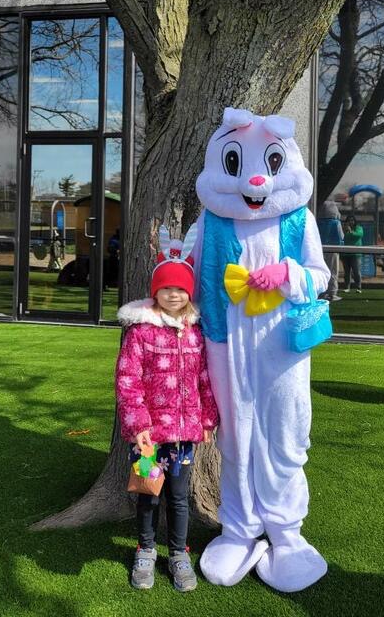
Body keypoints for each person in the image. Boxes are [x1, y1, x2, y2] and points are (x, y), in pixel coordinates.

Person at [194, 108, 331, 593]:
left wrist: (289, 275)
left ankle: (287, 533)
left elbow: (320, 276)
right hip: (225, 342)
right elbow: (189, 272)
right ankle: (239, 528)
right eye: (236, 163)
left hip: (282, 345)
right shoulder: (210, 221)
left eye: (270, 163)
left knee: (284, 434)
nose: (255, 180)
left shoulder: (299, 218)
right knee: (235, 436)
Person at [115, 229, 219, 590]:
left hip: (184, 438)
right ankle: (145, 550)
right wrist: (138, 425)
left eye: (180, 289)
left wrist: (208, 419)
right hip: (148, 438)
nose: (173, 294)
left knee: (178, 497)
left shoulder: (195, 333)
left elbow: (205, 379)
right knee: (148, 493)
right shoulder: (141, 332)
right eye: (166, 288)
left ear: (189, 293)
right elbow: (127, 380)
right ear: (155, 291)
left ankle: (178, 553)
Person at [316, 200, 344, 301]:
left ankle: (322, 292)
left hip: (320, 249)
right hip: (333, 249)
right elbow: (341, 236)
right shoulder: (336, 222)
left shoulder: (318, 222)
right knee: (333, 271)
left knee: (321, 270)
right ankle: (332, 293)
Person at [342, 214, 363, 293]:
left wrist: (350, 231)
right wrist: (345, 230)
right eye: (348, 220)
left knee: (356, 271)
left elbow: (358, 235)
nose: (351, 222)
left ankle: (359, 287)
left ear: (355, 221)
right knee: (346, 272)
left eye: (352, 220)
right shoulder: (344, 228)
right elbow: (342, 237)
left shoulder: (359, 228)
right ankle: (347, 287)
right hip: (346, 253)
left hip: (356, 254)